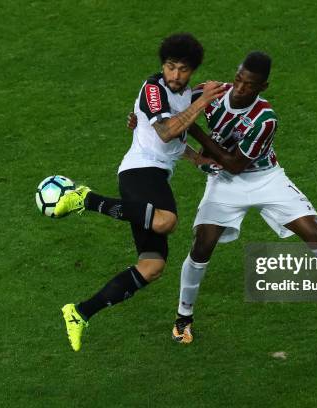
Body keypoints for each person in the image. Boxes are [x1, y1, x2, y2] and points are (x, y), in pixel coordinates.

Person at [129, 51, 317, 344]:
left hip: (265, 178)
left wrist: (195, 128)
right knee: (202, 245)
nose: (240, 88)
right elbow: (165, 111)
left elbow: (234, 163)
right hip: (223, 184)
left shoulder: (265, 118)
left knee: (316, 233)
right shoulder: (211, 93)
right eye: (238, 79)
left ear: (262, 87)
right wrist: (139, 119)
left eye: (249, 85)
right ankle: (182, 319)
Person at [53, 33, 226, 351]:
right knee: (165, 221)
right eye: (170, 67)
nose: (175, 75)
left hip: (155, 173)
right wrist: (203, 102)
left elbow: (175, 140)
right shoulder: (153, 90)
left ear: (193, 70)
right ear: (163, 65)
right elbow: (164, 131)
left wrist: (197, 159)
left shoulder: (186, 95)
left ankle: (80, 312)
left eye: (183, 69)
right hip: (139, 171)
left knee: (152, 266)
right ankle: (85, 199)